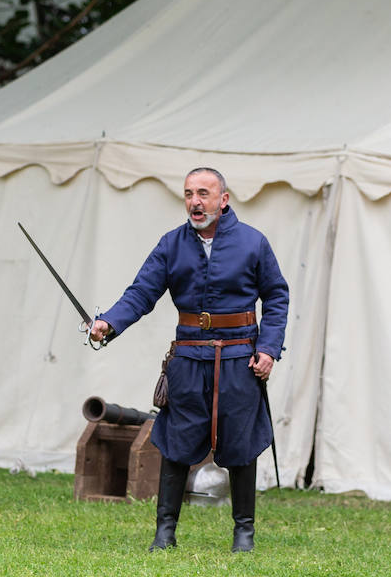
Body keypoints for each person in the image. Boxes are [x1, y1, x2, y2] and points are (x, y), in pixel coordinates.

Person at [89, 167, 289, 553]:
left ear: (223, 199)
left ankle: (243, 533)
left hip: (239, 358)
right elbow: (141, 294)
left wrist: (267, 348)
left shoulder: (253, 243)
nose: (195, 202)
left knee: (241, 441)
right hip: (189, 358)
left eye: (203, 193)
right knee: (177, 440)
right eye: (188, 194)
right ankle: (165, 532)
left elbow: (277, 297)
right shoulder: (171, 244)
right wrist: (108, 323)